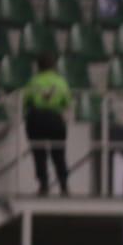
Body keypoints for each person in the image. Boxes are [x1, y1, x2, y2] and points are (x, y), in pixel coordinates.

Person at [23, 52, 71, 197]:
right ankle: (64, 187)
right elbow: (67, 103)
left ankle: (43, 187)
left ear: (38, 67)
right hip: (55, 119)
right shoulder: (60, 81)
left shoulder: (33, 82)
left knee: (39, 154)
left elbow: (26, 102)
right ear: (53, 66)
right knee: (59, 154)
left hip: (37, 119)